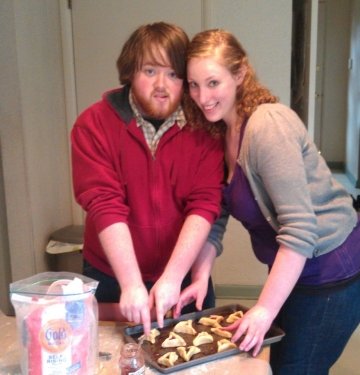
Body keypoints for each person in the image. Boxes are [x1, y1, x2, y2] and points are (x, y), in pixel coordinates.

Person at [180, 28, 360, 374]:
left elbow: (300, 230)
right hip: (298, 272)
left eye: (213, 82)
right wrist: (200, 275)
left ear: (240, 74)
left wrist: (263, 308)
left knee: (295, 367)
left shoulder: (267, 127)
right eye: (193, 84)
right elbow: (216, 216)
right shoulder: (221, 132)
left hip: (330, 273)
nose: (202, 97)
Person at [70, 22, 224, 335]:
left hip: (179, 271)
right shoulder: (92, 124)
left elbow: (204, 204)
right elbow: (104, 204)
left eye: (173, 74)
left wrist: (172, 277)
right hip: (113, 275)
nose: (162, 85)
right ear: (129, 72)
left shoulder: (206, 130)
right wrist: (130, 283)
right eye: (150, 71)